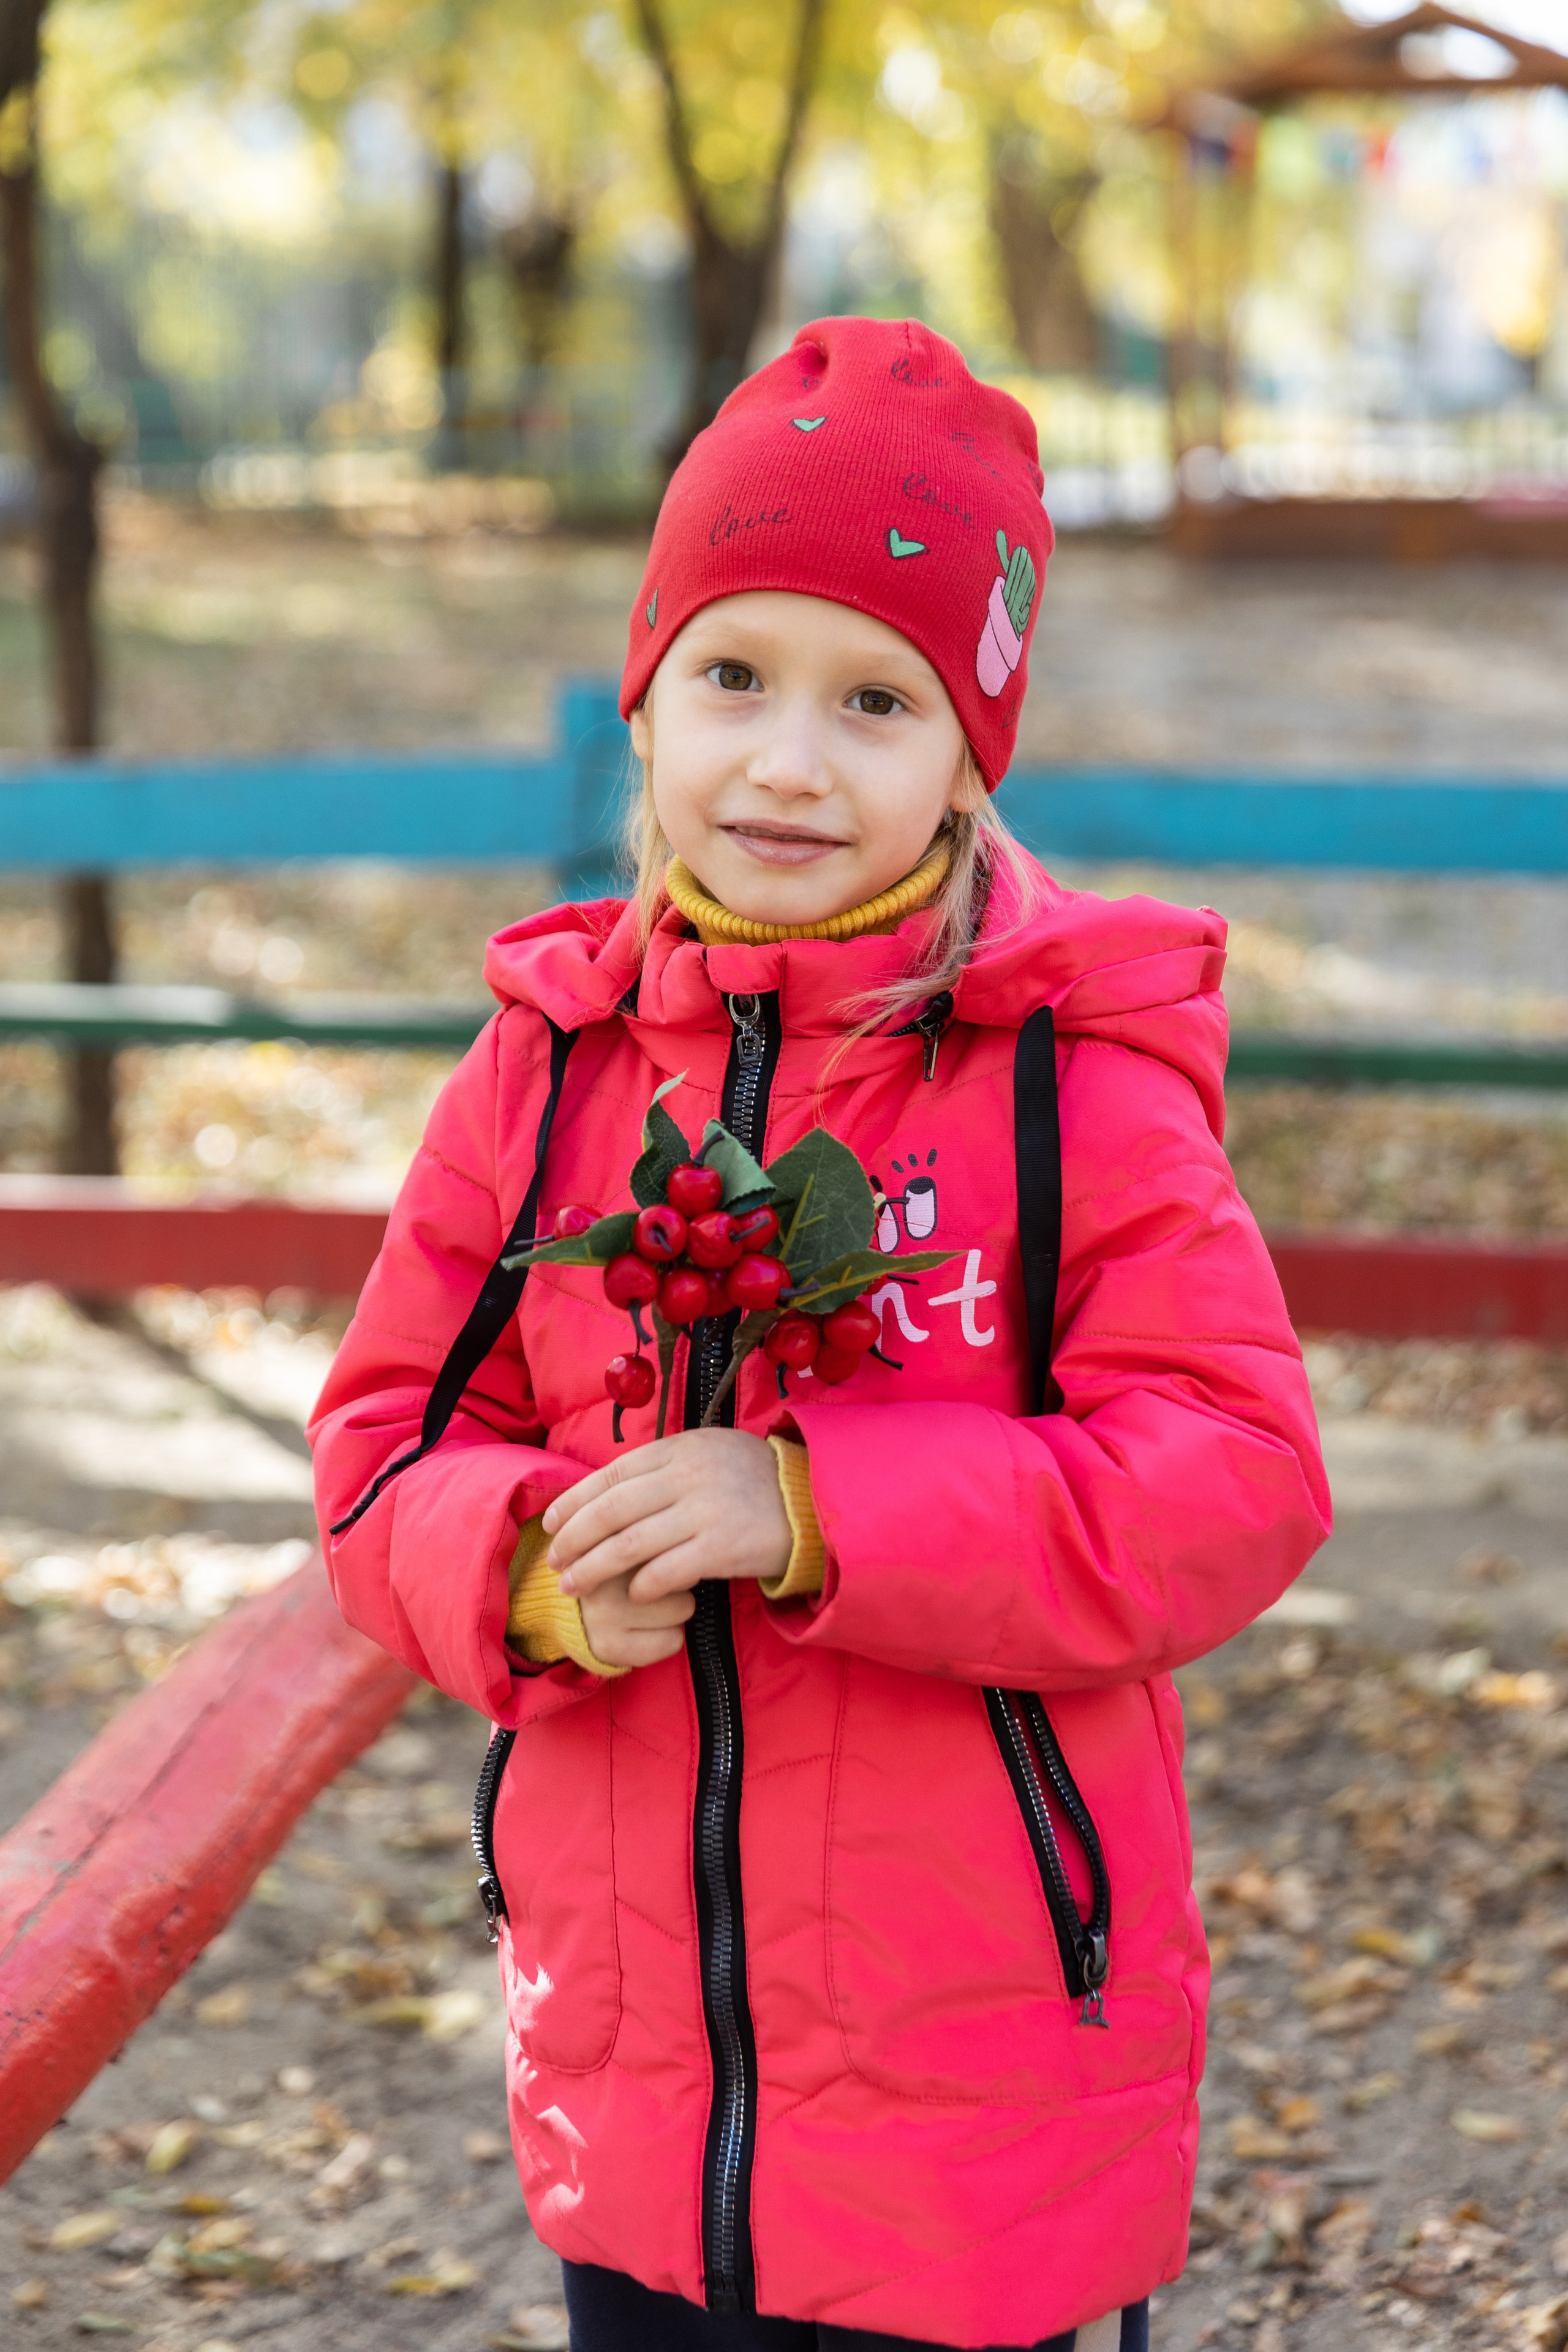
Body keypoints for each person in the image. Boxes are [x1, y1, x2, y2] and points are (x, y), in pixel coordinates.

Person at [309, 314, 1330, 2352]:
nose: (789, 761)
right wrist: (520, 1572)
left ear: (969, 753)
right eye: (735, 678)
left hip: (987, 2111)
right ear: (646, 705)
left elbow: (1233, 1476)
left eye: (877, 699)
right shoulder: (546, 1071)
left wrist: (810, 1508)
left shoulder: (1070, 1081)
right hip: (634, 2091)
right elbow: (383, 1450)